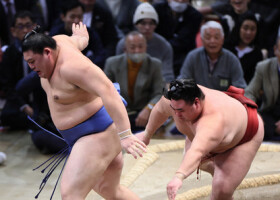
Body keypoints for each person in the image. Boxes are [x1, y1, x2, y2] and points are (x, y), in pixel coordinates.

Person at [22, 22, 146, 199]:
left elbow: (109, 91)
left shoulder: (73, 67)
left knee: (71, 194)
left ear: (47, 53)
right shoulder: (59, 41)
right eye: (28, 63)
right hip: (83, 136)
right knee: (110, 190)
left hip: (97, 133)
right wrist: (81, 37)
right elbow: (78, 41)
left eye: (33, 62)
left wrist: (125, 134)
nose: (31, 68)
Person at [136, 78, 264, 200]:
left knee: (222, 189)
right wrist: (147, 134)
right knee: (199, 162)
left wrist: (178, 177)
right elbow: (159, 110)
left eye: (181, 110)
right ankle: (222, 169)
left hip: (245, 135)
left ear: (196, 102)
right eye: (174, 109)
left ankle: (226, 176)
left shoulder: (212, 122)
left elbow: (197, 151)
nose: (176, 115)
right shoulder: (174, 101)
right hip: (208, 134)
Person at [105, 31, 163, 132]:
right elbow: (106, 90)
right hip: (119, 113)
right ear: (125, 49)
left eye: (141, 46)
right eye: (132, 47)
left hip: (144, 114)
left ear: (146, 47)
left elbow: (159, 93)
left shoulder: (155, 64)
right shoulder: (112, 63)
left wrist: (148, 108)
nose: (137, 50)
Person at [115, 2, 174, 85]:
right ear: (136, 24)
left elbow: (168, 76)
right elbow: (118, 72)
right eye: (143, 23)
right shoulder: (123, 44)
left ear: (156, 25)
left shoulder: (164, 46)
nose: (147, 27)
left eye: (151, 23)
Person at [179, 20, 247, 91]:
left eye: (216, 37)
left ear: (222, 40)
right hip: (197, 100)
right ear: (202, 40)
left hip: (223, 100)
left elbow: (240, 88)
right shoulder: (193, 57)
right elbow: (183, 83)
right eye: (208, 37)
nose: (212, 41)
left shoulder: (232, 60)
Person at [0, 10, 36, 130]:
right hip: (20, 100)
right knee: (6, 116)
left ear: (35, 27)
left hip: (41, 98)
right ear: (13, 31)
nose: (25, 30)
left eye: (28, 26)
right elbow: (7, 86)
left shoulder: (43, 48)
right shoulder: (9, 53)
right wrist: (24, 106)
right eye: (20, 26)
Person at [49, 0, 106, 68]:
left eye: (79, 17)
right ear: (63, 17)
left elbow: (100, 54)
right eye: (72, 17)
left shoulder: (89, 32)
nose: (76, 21)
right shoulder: (55, 34)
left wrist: (88, 66)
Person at [153, 0, 203, 76]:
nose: (180, 1)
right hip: (157, 51)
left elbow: (183, 41)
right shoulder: (156, 9)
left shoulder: (195, 15)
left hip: (181, 56)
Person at [245, 36, 280, 141]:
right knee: (255, 125)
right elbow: (249, 92)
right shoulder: (264, 67)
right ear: (275, 50)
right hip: (269, 114)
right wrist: (253, 113)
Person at [225, 12, 263, 84]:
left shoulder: (257, 54)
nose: (248, 32)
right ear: (239, 28)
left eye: (252, 29)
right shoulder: (227, 47)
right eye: (245, 28)